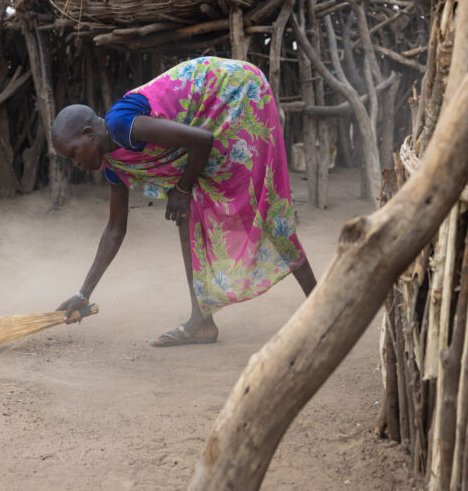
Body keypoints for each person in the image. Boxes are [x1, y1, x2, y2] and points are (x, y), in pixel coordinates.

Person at [53, 57, 316, 347]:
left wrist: (182, 187)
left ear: (89, 135)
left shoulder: (124, 125)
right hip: (211, 117)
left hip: (237, 92)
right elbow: (115, 229)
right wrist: (83, 294)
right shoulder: (114, 164)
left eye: (73, 154)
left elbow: (202, 140)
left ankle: (323, 311)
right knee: (185, 215)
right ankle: (201, 322)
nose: (76, 163)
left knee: (266, 208)